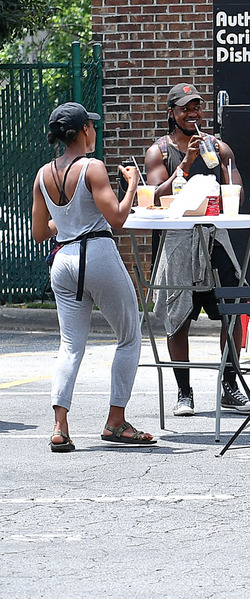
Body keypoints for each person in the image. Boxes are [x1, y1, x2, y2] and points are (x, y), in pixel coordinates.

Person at [31, 103, 154, 450]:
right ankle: (116, 422)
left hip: (63, 260)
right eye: (92, 126)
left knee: (70, 345)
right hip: (97, 254)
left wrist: (66, 219)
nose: (95, 131)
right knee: (129, 336)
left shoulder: (42, 174)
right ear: (84, 129)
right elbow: (117, 218)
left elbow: (40, 232)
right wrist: (132, 184)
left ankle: (60, 427)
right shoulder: (92, 166)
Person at [143, 81, 248, 417]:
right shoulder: (160, 151)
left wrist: (229, 187)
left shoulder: (217, 147)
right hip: (177, 244)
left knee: (232, 312)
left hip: (215, 239)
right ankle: (184, 392)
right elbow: (154, 195)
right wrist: (186, 164)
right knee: (178, 316)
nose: (193, 114)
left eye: (196, 108)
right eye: (185, 109)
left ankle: (229, 385)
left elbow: (236, 189)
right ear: (171, 113)